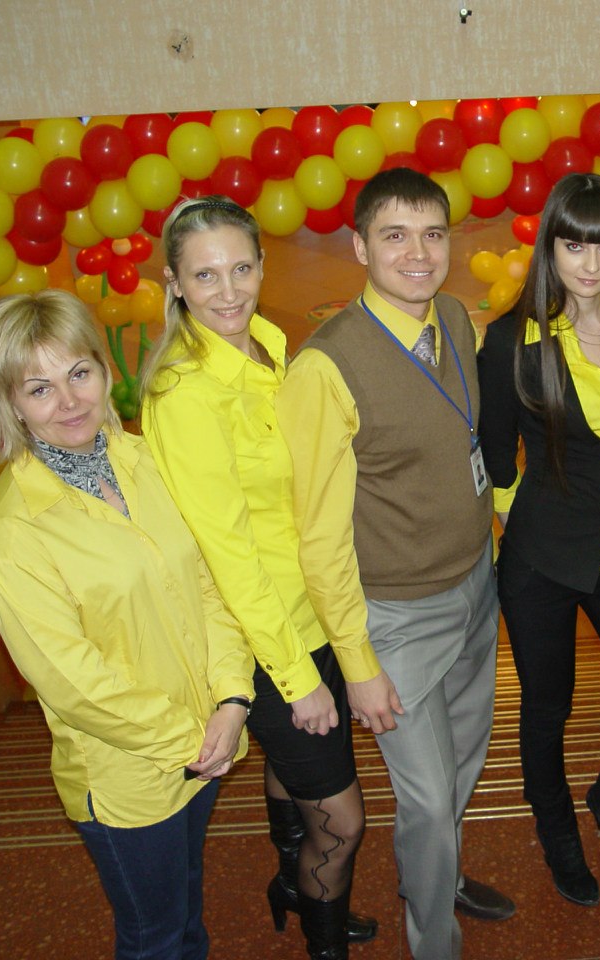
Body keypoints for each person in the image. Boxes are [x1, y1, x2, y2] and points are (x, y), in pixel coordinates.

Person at [276, 167, 514, 960]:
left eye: (432, 234)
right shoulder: (326, 367)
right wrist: (358, 664)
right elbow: (318, 537)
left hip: (474, 585)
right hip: (396, 618)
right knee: (428, 799)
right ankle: (433, 940)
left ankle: (437, 877)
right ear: (360, 247)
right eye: (395, 236)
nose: (418, 253)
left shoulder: (455, 318)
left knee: (463, 766)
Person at [0, 290, 254, 960]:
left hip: (209, 737)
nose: (69, 401)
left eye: (79, 373)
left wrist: (232, 697)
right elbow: (74, 683)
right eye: (39, 388)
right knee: (153, 936)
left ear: (104, 368)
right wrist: (193, 738)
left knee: (187, 908)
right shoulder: (10, 534)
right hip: (128, 777)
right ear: (10, 403)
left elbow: (207, 585)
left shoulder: (144, 459)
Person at [139, 196, 380, 959]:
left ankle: (295, 888)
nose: (228, 291)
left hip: (313, 610)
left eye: (241, 268)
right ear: (174, 283)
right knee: (344, 821)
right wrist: (296, 679)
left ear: (262, 266)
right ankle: (324, 941)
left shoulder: (271, 346)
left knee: (296, 779)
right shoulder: (185, 394)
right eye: (205, 275)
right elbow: (229, 557)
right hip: (264, 639)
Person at [478, 173, 600, 907]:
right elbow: (496, 456)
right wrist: (523, 525)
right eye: (574, 245)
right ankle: (557, 830)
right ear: (549, 248)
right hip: (541, 559)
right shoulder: (512, 339)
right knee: (547, 708)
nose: (590, 263)